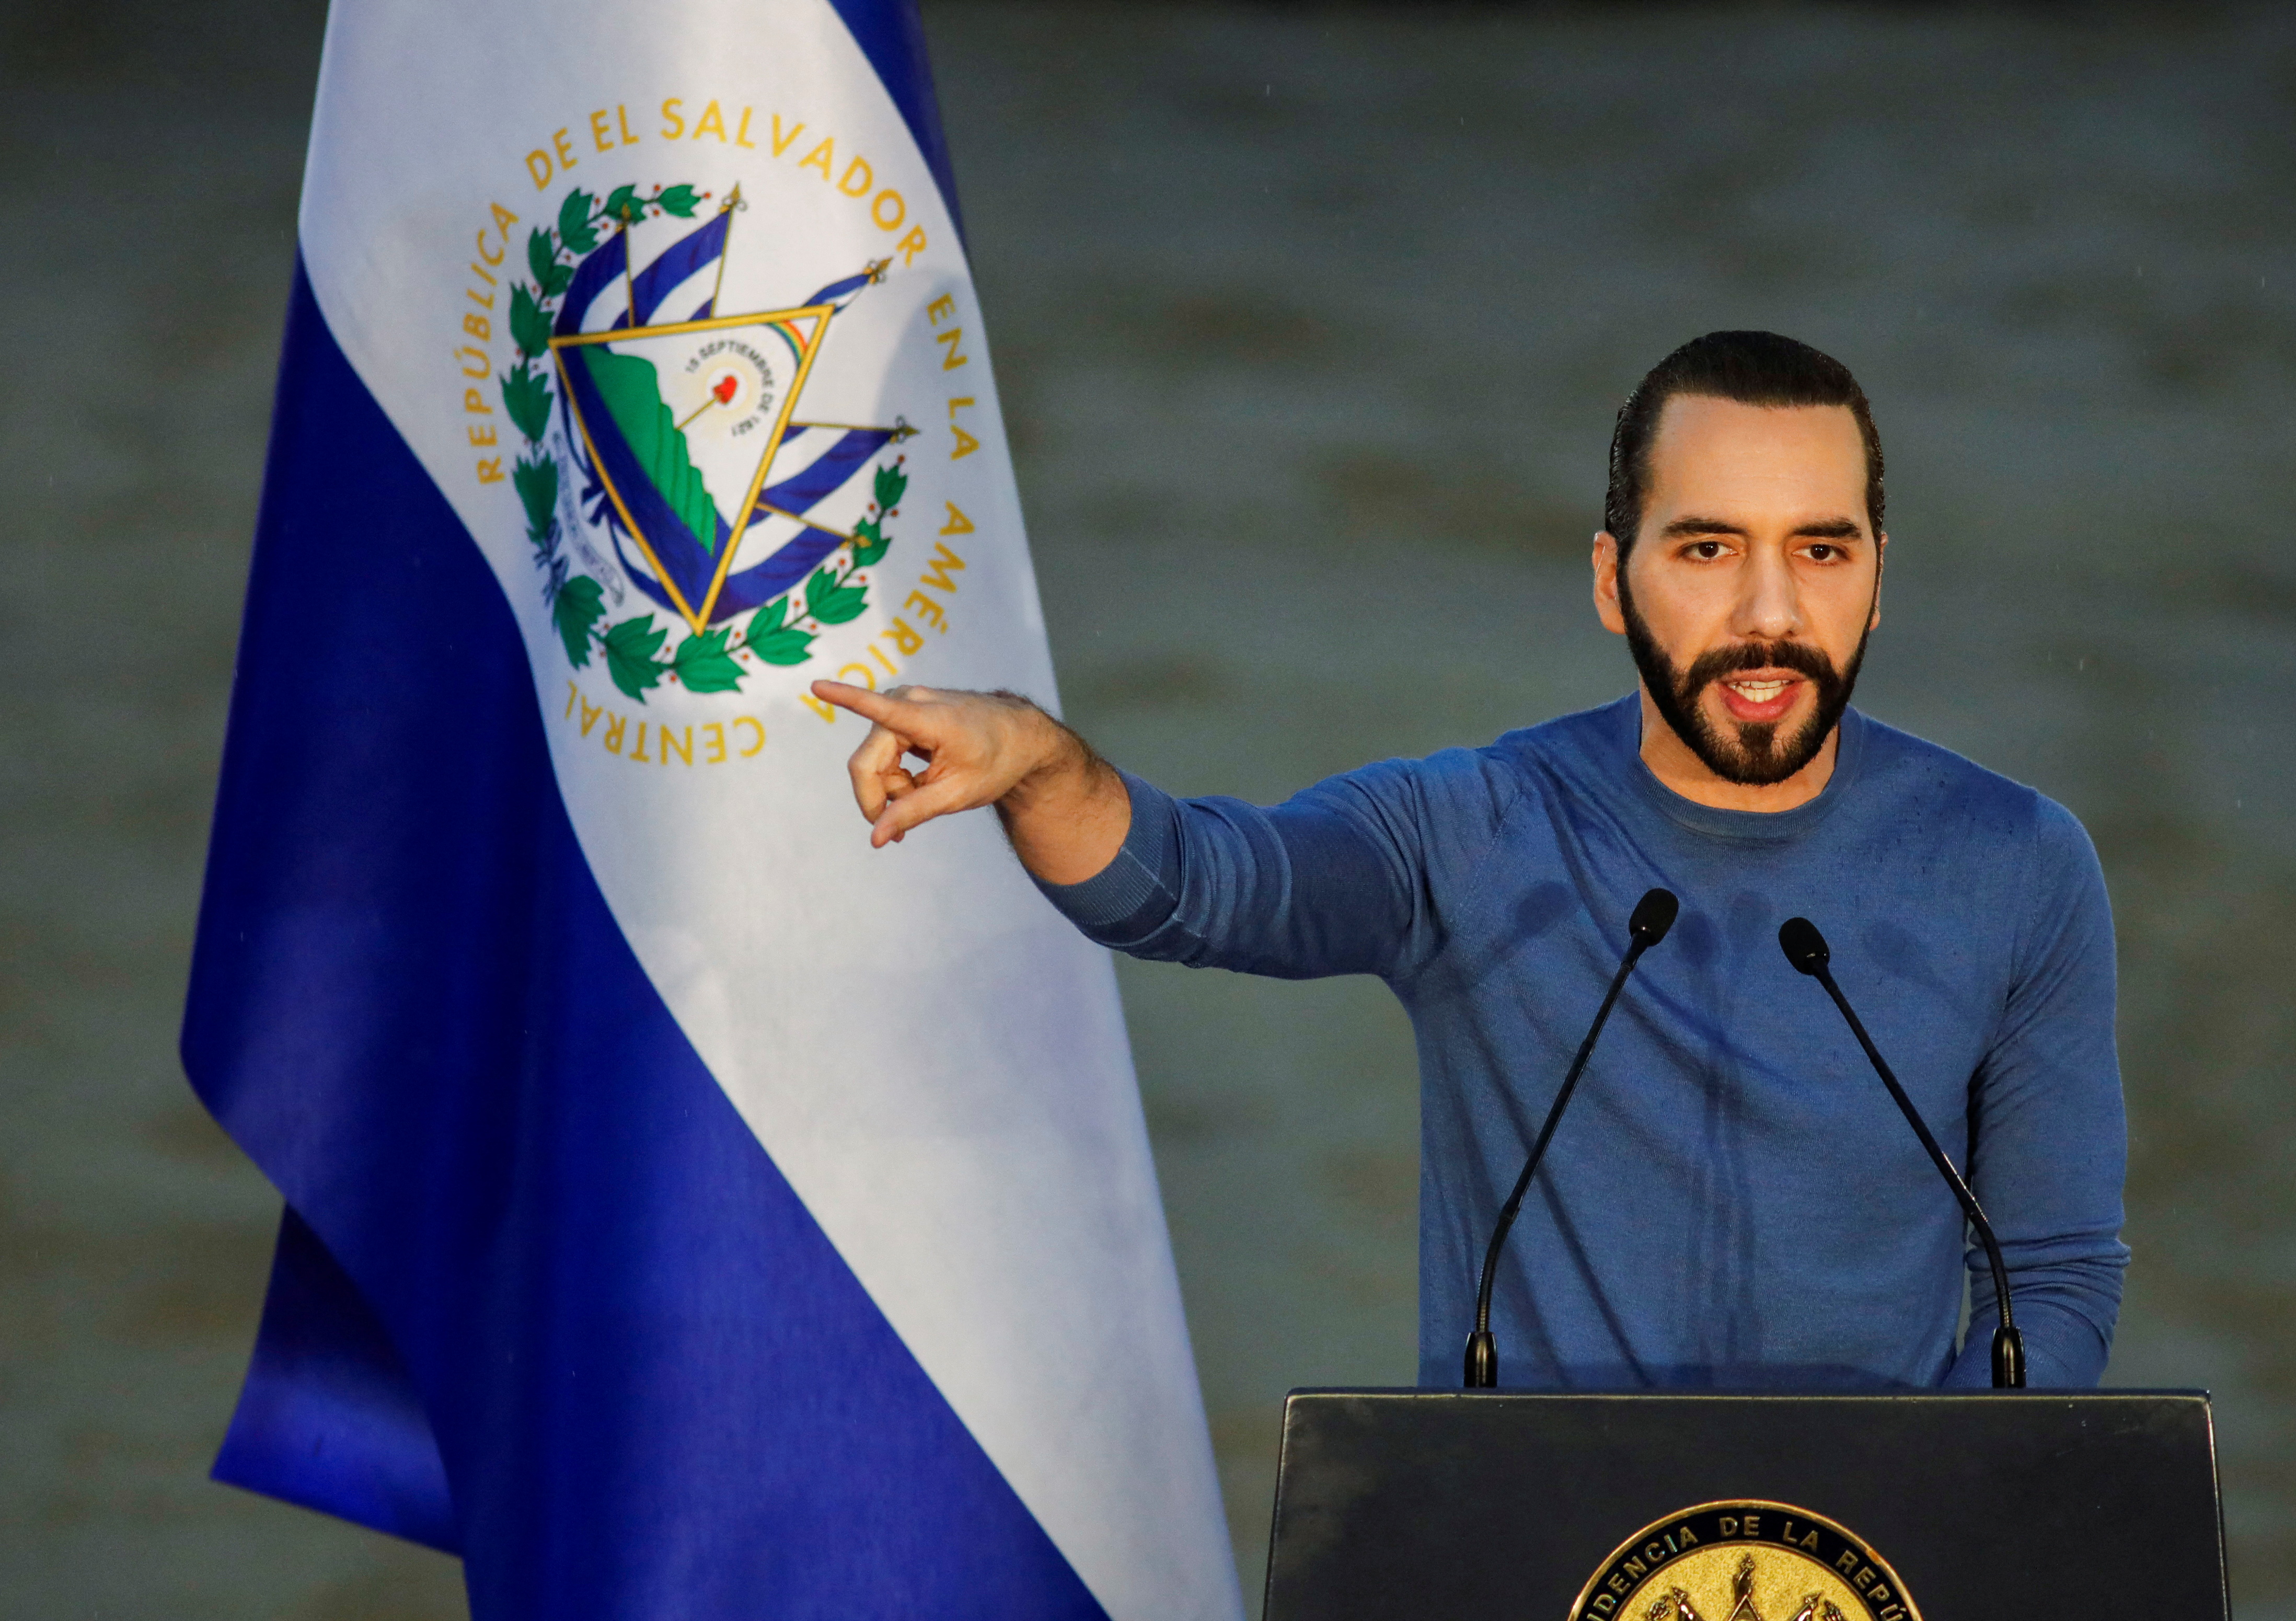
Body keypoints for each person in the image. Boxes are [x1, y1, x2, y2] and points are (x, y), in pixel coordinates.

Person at [811, 331, 2126, 1392]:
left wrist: (1913, 1528)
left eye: (1820, 552)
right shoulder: (1477, 828)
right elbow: (1199, 889)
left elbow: (2053, 1281)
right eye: (1708, 549)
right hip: (1524, 1594)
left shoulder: (2015, 862)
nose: (1770, 614)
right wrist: (1044, 764)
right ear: (1613, 582)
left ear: (1879, 578)